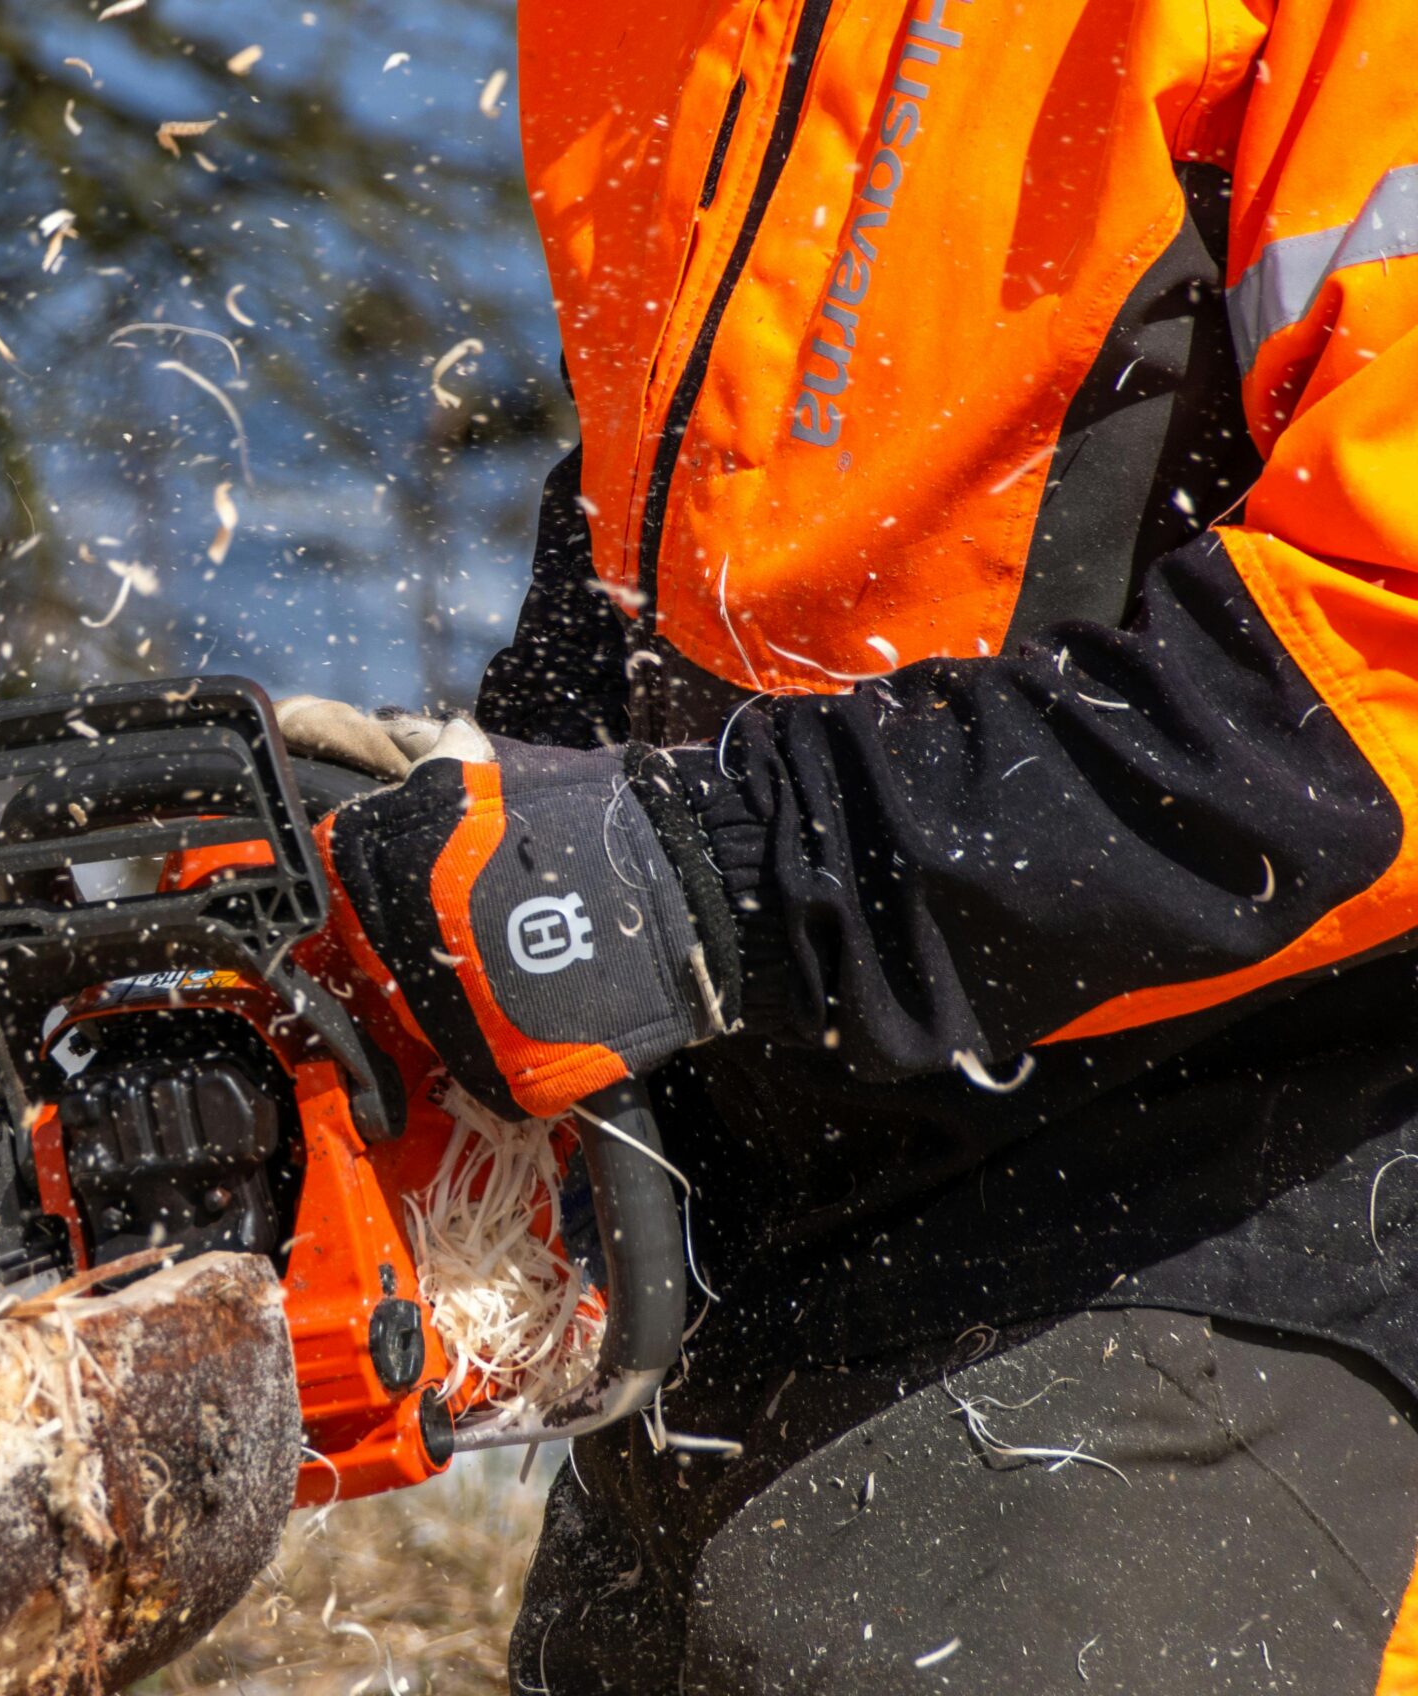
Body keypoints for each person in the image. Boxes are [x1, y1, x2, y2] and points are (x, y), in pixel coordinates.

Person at [283, 1, 1418, 1689]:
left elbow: (1386, 645)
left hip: (1233, 1191)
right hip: (760, 1194)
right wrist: (503, 828)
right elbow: (700, 498)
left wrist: (719, 871)